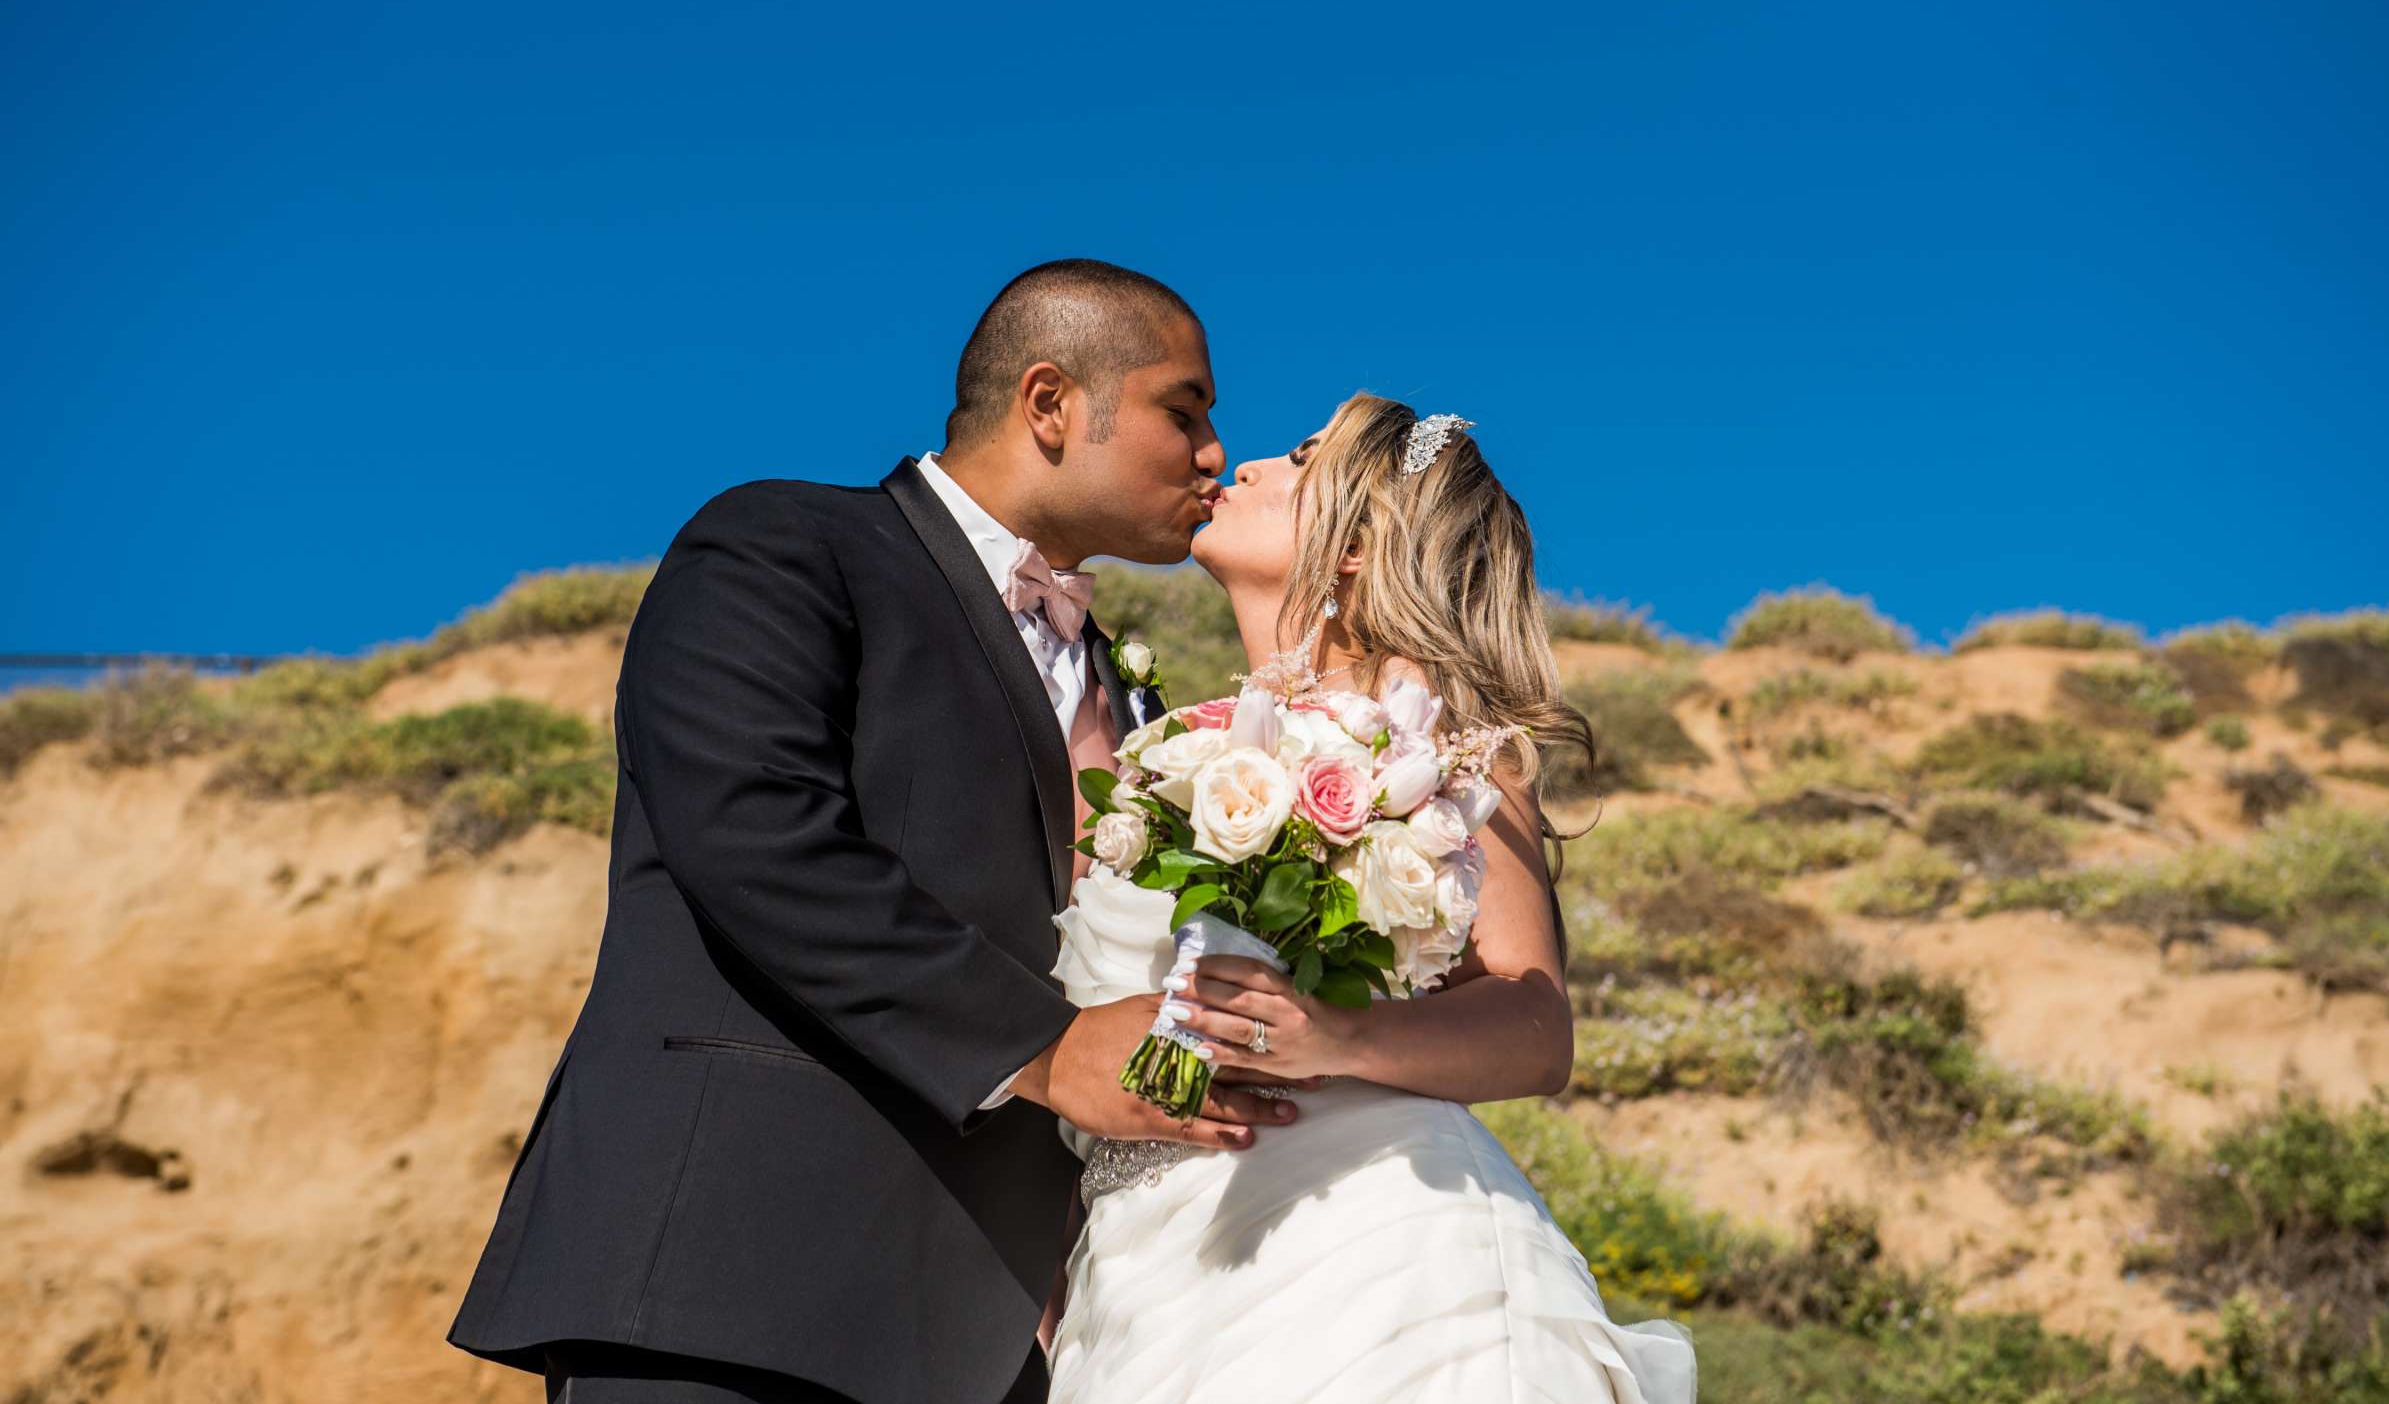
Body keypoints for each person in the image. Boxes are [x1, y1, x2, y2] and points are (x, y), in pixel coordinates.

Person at [446, 259, 1305, 1404]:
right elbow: (750, 829)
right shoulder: (785, 544)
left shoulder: (1137, 702)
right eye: (1183, 409)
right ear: (1049, 404)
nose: (1211, 452)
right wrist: (1045, 1048)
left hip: (998, 1349)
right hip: (736, 1283)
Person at [1044, 396, 1701, 1403]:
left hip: (1371, 1258)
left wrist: (1337, 1039)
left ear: (1353, 546)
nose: (1246, 462)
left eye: (1301, 458)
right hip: (1147, 1286)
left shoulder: (1438, 742)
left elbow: (1535, 1016)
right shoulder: (1159, 754)